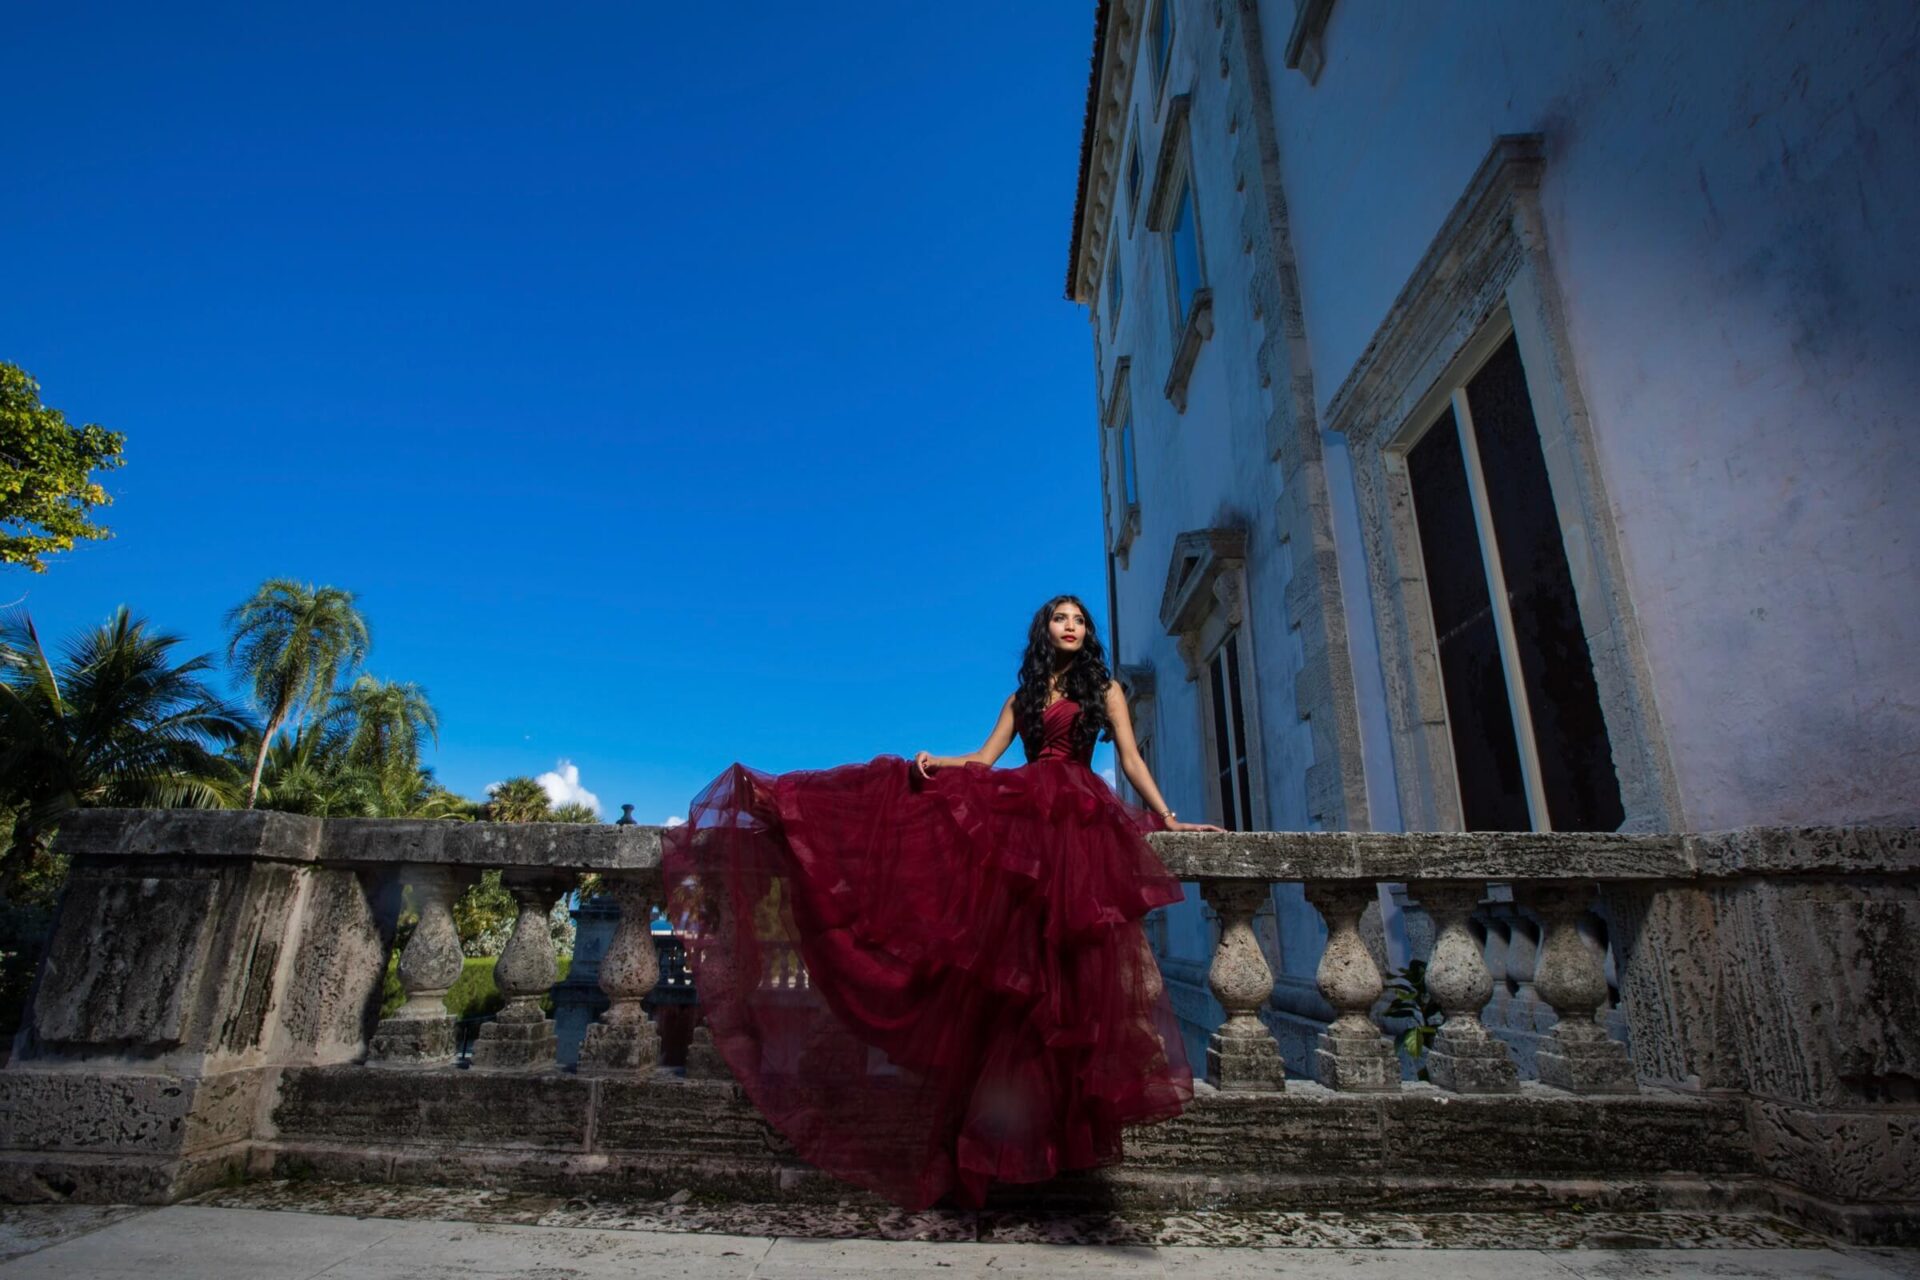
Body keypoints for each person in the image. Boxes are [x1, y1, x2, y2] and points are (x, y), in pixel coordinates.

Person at [660, 594, 1223, 1211]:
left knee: (1068, 981)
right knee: (1016, 981)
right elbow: (984, 761)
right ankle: (789, 805)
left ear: (1088, 633)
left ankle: (1056, 1146)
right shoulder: (1022, 698)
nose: (1071, 627)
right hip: (1026, 820)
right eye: (1061, 619)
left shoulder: (1107, 690)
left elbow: (1131, 758)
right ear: (1045, 631)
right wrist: (935, 761)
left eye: (1080, 620)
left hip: (1077, 827)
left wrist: (1169, 820)